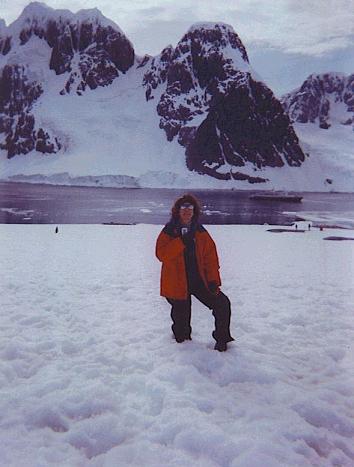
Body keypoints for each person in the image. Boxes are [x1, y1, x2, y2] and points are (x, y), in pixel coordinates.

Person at [155, 194, 234, 352]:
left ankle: (222, 339)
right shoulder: (169, 231)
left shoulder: (201, 232)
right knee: (181, 329)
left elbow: (211, 259)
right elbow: (161, 254)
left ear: (194, 211)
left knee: (222, 304)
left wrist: (213, 281)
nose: (186, 211)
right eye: (183, 207)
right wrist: (181, 242)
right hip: (177, 283)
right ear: (177, 210)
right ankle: (183, 349)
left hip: (199, 281)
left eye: (190, 208)